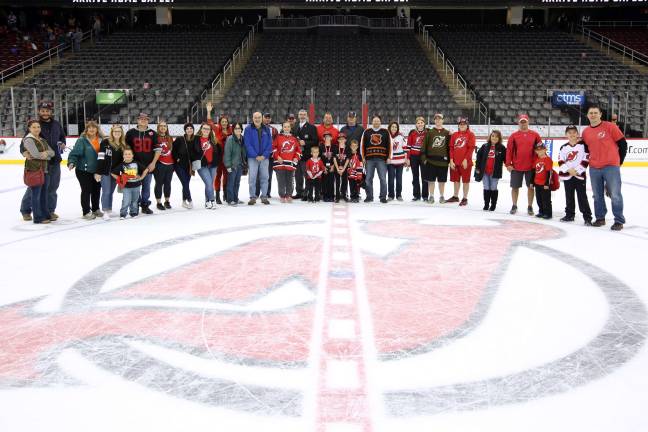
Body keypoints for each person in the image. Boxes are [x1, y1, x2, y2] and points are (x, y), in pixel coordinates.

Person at [581, 105, 628, 230]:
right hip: (594, 167)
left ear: (600, 114)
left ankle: (618, 220)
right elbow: (586, 149)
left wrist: (619, 162)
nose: (593, 115)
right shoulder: (585, 132)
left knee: (615, 194)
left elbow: (623, 144)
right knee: (597, 195)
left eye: (596, 113)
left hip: (611, 166)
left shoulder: (610, 126)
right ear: (587, 115)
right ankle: (600, 218)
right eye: (591, 113)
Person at [20, 101, 65, 222]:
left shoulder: (56, 124)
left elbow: (62, 137)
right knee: (34, 188)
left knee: (52, 188)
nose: (45, 113)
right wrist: (23, 152)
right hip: (39, 164)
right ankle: (25, 210)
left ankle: (49, 211)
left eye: (47, 111)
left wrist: (62, 143)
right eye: (43, 111)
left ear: (51, 112)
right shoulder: (34, 125)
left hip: (54, 162)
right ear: (39, 111)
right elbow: (24, 143)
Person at [506, 114, 542, 215]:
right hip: (516, 167)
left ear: (528, 122)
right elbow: (509, 150)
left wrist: (540, 163)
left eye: (524, 122)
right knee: (514, 187)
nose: (523, 124)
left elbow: (541, 150)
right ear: (518, 123)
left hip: (531, 167)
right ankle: (514, 205)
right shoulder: (513, 136)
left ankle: (530, 206)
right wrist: (508, 164)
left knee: (530, 187)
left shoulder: (535, 135)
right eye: (521, 122)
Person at [67, 121, 104, 220]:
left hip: (97, 170)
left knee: (96, 190)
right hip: (83, 170)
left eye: (94, 127)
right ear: (86, 129)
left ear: (97, 129)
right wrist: (71, 162)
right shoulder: (82, 140)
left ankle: (96, 209)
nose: (91, 129)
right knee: (86, 190)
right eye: (89, 127)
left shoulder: (101, 140)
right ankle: (86, 211)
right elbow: (75, 153)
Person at [558, 125, 592, 225]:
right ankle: (570, 215)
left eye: (574, 132)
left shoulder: (583, 146)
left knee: (582, 196)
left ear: (577, 134)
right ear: (566, 134)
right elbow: (560, 161)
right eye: (569, 132)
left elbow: (586, 159)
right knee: (569, 196)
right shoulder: (564, 147)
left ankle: (587, 217)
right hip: (568, 176)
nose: (572, 134)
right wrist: (568, 170)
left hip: (579, 175)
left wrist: (577, 171)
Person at [125, 113, 159, 214]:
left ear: (148, 121)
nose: (143, 120)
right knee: (135, 186)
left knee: (146, 186)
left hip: (148, 165)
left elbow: (158, 150)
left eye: (146, 119)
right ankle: (135, 204)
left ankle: (144, 205)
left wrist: (153, 163)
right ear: (137, 120)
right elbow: (126, 148)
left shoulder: (153, 133)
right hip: (133, 165)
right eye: (141, 119)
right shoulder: (131, 132)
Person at [22, 120, 54, 224]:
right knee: (36, 195)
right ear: (29, 128)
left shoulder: (41, 139)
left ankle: (45, 214)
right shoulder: (28, 139)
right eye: (34, 127)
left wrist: (46, 153)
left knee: (43, 194)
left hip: (44, 170)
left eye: (38, 127)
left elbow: (52, 152)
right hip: (34, 170)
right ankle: (38, 217)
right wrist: (45, 155)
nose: (37, 129)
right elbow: (35, 154)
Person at [95, 124, 126, 220]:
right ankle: (105, 211)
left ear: (121, 133)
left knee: (111, 192)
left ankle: (109, 209)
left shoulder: (123, 145)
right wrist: (98, 172)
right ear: (112, 133)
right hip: (105, 171)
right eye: (115, 131)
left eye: (119, 132)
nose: (117, 133)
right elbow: (100, 157)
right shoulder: (105, 142)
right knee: (106, 191)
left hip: (116, 173)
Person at [360, 115, 392, 203]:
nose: (376, 122)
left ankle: (383, 197)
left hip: (381, 159)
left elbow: (390, 145)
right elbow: (362, 145)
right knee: (368, 178)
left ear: (380, 122)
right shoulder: (367, 132)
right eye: (374, 121)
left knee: (382, 178)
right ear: (372, 122)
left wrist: (389, 157)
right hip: (369, 159)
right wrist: (363, 157)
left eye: (378, 121)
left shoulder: (385, 132)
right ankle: (369, 196)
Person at [244, 112, 273, 205]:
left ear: (262, 118)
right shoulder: (248, 129)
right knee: (252, 178)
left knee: (265, 177)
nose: (257, 119)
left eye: (259, 117)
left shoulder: (266, 129)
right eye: (255, 117)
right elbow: (247, 144)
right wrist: (255, 155)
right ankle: (252, 197)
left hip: (264, 158)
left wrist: (264, 155)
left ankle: (264, 196)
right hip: (253, 158)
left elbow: (269, 144)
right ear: (252, 118)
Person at [421, 113, 451, 204]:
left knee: (442, 181)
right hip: (430, 161)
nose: (438, 120)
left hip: (443, 162)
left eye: (440, 119)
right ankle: (431, 196)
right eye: (436, 119)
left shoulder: (447, 133)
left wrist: (449, 160)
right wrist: (424, 159)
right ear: (434, 120)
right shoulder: (429, 132)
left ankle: (442, 196)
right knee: (431, 180)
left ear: (443, 120)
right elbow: (424, 147)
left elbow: (449, 148)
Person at [112, 147, 149, 220]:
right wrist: (120, 179)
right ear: (123, 156)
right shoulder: (122, 165)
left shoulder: (136, 163)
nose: (127, 155)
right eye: (125, 154)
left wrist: (141, 177)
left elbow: (146, 170)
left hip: (136, 185)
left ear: (132, 155)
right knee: (126, 200)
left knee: (135, 200)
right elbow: (112, 173)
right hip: (126, 187)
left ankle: (133, 212)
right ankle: (123, 213)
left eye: (129, 154)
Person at [206, 102, 232, 204]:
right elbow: (209, 122)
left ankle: (225, 193)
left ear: (228, 122)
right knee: (218, 176)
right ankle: (217, 195)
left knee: (226, 176)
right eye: (222, 122)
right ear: (220, 123)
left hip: (228, 158)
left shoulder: (231, 130)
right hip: (219, 157)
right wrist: (209, 111)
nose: (224, 123)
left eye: (226, 121)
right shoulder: (217, 129)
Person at [447, 117, 476, 206]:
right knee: (456, 180)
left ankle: (465, 198)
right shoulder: (455, 135)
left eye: (464, 124)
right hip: (455, 162)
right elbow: (451, 148)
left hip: (465, 162)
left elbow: (471, 149)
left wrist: (466, 159)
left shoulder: (471, 134)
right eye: (460, 124)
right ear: (458, 125)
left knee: (465, 181)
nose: (462, 125)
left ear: (467, 125)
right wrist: (451, 160)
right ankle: (455, 196)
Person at [475, 130, 506, 211]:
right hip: (484, 172)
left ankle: (493, 205)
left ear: (499, 138)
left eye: (496, 136)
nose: (494, 138)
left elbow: (506, 159)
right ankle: (486, 204)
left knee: (493, 187)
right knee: (486, 187)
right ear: (490, 137)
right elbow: (478, 158)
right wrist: (477, 168)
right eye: (492, 136)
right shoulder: (484, 146)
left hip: (495, 172)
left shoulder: (502, 148)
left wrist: (509, 165)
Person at [272, 120, 302, 203]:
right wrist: (277, 156)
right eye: (285, 126)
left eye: (288, 127)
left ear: (290, 128)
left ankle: (289, 195)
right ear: (282, 127)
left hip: (290, 164)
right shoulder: (278, 137)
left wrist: (296, 157)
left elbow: (298, 150)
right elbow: (274, 148)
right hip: (280, 163)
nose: (286, 128)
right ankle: (282, 195)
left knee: (289, 180)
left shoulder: (294, 138)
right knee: (281, 180)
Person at [193, 123, 221, 209]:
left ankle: (207, 201)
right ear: (201, 129)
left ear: (210, 131)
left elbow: (219, 151)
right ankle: (212, 201)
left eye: (208, 129)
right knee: (209, 183)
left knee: (209, 184)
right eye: (204, 128)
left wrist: (217, 161)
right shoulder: (196, 139)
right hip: (202, 166)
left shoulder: (213, 139)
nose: (206, 130)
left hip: (213, 165)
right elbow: (193, 152)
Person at [293, 109, 318, 200]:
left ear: (307, 116)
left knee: (307, 175)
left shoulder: (312, 127)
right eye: (300, 114)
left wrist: (306, 143)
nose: (302, 116)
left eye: (304, 114)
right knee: (297, 175)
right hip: (296, 156)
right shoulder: (294, 127)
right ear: (298, 116)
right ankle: (299, 192)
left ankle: (307, 193)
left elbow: (315, 141)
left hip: (306, 156)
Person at [172, 123, 197, 209]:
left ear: (193, 130)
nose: (189, 130)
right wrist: (177, 158)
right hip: (179, 165)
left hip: (189, 166)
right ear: (185, 130)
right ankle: (190, 200)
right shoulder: (180, 139)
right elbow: (173, 150)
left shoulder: (195, 140)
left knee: (185, 183)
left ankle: (183, 201)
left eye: (191, 128)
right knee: (185, 182)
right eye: (187, 128)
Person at [256, 112, 279, 199]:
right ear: (262, 118)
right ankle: (256, 192)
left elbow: (276, 143)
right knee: (258, 175)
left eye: (269, 117)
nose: (267, 119)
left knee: (268, 175)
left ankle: (267, 192)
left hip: (270, 156)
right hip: (259, 155)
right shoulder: (257, 128)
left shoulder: (274, 130)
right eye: (266, 117)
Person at [153, 120, 175, 211]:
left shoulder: (170, 138)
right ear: (158, 128)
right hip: (159, 164)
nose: (163, 128)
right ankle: (159, 202)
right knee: (159, 183)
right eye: (161, 126)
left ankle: (167, 201)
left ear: (167, 128)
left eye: (165, 126)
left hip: (170, 165)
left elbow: (172, 151)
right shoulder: (155, 138)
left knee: (168, 183)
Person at [407, 116, 429, 201]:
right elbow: (408, 147)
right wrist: (408, 158)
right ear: (416, 124)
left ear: (424, 124)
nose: (420, 124)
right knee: (415, 176)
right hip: (414, 157)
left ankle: (425, 195)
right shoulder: (412, 133)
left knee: (424, 176)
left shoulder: (427, 132)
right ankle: (416, 195)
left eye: (421, 123)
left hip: (423, 156)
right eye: (418, 123)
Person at [224, 122, 246, 206]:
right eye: (236, 128)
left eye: (239, 128)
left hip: (240, 164)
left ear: (241, 129)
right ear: (233, 130)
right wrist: (228, 165)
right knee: (231, 183)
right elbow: (227, 153)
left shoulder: (242, 138)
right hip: (232, 165)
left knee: (237, 183)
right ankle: (230, 200)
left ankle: (235, 198)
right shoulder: (230, 139)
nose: (238, 130)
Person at [387, 121, 408, 201]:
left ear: (397, 128)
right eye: (392, 127)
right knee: (391, 179)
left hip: (400, 161)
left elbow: (405, 148)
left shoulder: (401, 136)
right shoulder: (387, 136)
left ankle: (399, 195)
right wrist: (387, 158)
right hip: (391, 161)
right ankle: (391, 195)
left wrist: (406, 159)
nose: (394, 128)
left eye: (395, 127)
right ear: (390, 127)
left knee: (399, 180)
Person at [533, 142, 553, 219]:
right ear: (536, 151)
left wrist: (547, 184)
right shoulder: (537, 160)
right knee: (539, 199)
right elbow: (534, 172)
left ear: (545, 150)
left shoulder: (547, 159)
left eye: (541, 149)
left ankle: (548, 213)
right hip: (537, 183)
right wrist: (532, 182)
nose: (539, 151)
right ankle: (541, 211)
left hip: (544, 184)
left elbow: (549, 172)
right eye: (537, 150)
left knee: (546, 200)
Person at [320, 131, 337, 202]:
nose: (327, 138)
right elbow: (319, 158)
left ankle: (331, 196)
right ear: (323, 138)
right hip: (324, 166)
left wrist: (333, 166)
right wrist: (323, 168)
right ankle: (325, 195)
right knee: (324, 181)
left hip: (332, 166)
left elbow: (336, 157)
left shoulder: (334, 147)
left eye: (329, 137)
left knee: (331, 181)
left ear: (331, 138)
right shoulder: (321, 147)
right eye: (325, 137)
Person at [333, 133, 350, 202]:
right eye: (340, 139)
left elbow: (348, 159)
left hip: (344, 168)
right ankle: (337, 196)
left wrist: (343, 169)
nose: (341, 140)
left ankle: (344, 195)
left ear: (345, 140)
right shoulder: (336, 148)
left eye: (343, 139)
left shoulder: (347, 148)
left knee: (345, 182)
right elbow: (334, 159)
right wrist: (337, 168)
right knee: (337, 182)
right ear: (338, 140)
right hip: (337, 167)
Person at [347, 139, 364, 203]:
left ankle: (356, 197)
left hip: (357, 174)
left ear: (357, 146)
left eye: (355, 146)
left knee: (356, 186)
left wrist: (359, 174)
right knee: (351, 185)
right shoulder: (349, 154)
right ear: (350, 146)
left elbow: (361, 164)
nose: (354, 147)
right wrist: (348, 171)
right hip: (350, 174)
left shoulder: (359, 155)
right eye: (352, 146)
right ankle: (352, 197)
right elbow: (347, 163)